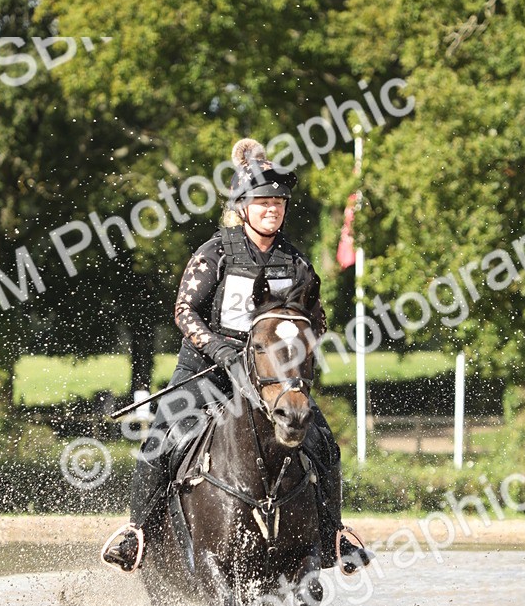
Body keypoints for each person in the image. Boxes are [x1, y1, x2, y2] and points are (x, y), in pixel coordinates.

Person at [102, 137, 367, 573]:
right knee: (160, 442)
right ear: (243, 207)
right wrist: (223, 350)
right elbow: (184, 312)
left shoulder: (296, 262)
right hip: (208, 371)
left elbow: (315, 320)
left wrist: (294, 350)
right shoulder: (215, 253)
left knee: (323, 444)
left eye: (279, 203)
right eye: (263, 203)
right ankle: (136, 534)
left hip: (270, 378)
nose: (273, 210)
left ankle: (335, 537)